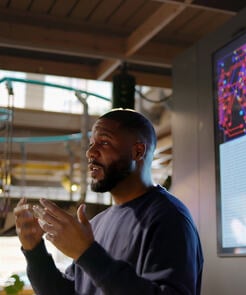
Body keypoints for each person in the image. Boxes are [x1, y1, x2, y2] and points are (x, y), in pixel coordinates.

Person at [14, 109, 204, 295]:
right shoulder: (96, 224)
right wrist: (35, 251)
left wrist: (87, 253)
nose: (90, 153)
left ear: (138, 152)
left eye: (104, 142)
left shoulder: (169, 218)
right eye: (91, 144)